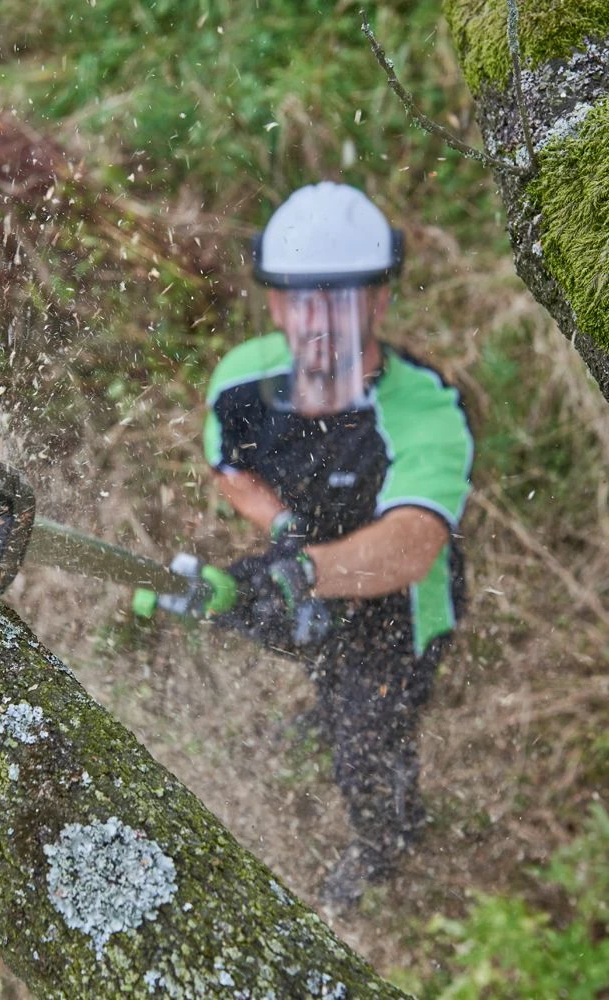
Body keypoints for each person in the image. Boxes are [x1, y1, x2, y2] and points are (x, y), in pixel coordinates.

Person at [203, 181, 474, 908]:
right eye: (302, 300)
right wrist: (282, 530)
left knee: (368, 738)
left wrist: (299, 573)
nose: (320, 322)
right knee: (299, 648)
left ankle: (387, 841)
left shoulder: (426, 408)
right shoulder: (240, 383)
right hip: (308, 563)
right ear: (274, 303)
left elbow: (413, 544)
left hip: (403, 605)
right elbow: (230, 470)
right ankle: (327, 701)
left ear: (380, 300)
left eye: (342, 299)